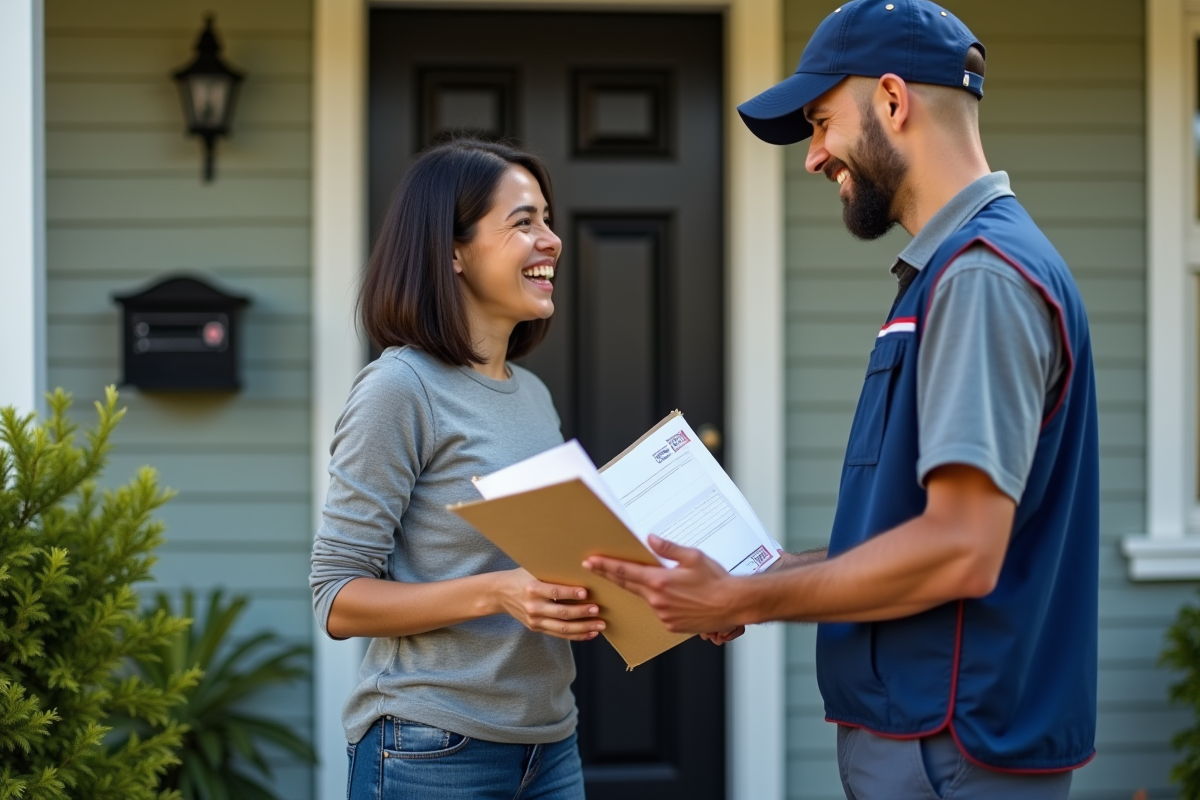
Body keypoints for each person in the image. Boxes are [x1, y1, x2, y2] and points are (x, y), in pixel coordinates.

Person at [583, 2, 1099, 797]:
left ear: (893, 100)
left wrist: (749, 593)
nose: (813, 157)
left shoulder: (981, 278)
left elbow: (961, 547)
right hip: (929, 736)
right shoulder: (950, 275)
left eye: (822, 122)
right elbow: (917, 527)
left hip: (949, 746)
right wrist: (774, 569)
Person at [310, 138, 603, 800]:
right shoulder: (399, 389)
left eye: (547, 219)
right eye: (523, 222)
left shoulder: (530, 394)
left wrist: (677, 596)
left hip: (551, 744)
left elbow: (552, 567)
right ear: (453, 251)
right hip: (433, 749)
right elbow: (337, 596)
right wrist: (499, 593)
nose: (551, 240)